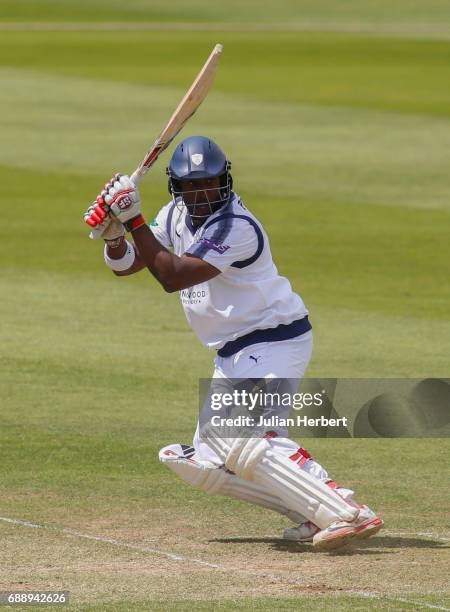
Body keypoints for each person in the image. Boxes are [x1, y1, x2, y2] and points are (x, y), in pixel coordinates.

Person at [84, 135, 383, 550]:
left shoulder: (236, 226)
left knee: (238, 434)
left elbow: (172, 276)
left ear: (224, 180)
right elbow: (132, 263)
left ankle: (344, 511)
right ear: (177, 188)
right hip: (232, 352)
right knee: (202, 461)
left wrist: (132, 219)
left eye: (208, 183)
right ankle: (311, 513)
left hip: (274, 340)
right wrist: (115, 235)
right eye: (192, 186)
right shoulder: (174, 215)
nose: (202, 193)